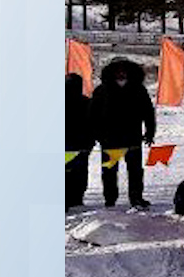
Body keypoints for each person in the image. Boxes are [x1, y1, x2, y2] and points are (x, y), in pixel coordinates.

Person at [91, 57, 155, 209]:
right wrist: (97, 135)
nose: (121, 74)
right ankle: (110, 198)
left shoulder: (139, 89)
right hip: (109, 139)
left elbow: (148, 112)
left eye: (124, 71)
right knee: (109, 171)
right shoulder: (101, 90)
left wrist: (150, 131)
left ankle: (136, 197)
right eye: (118, 71)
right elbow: (93, 114)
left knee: (135, 171)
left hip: (132, 137)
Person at [66, 73, 93, 210]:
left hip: (76, 144)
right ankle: (76, 197)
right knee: (78, 172)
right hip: (80, 144)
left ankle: (73, 197)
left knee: (72, 171)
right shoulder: (86, 102)